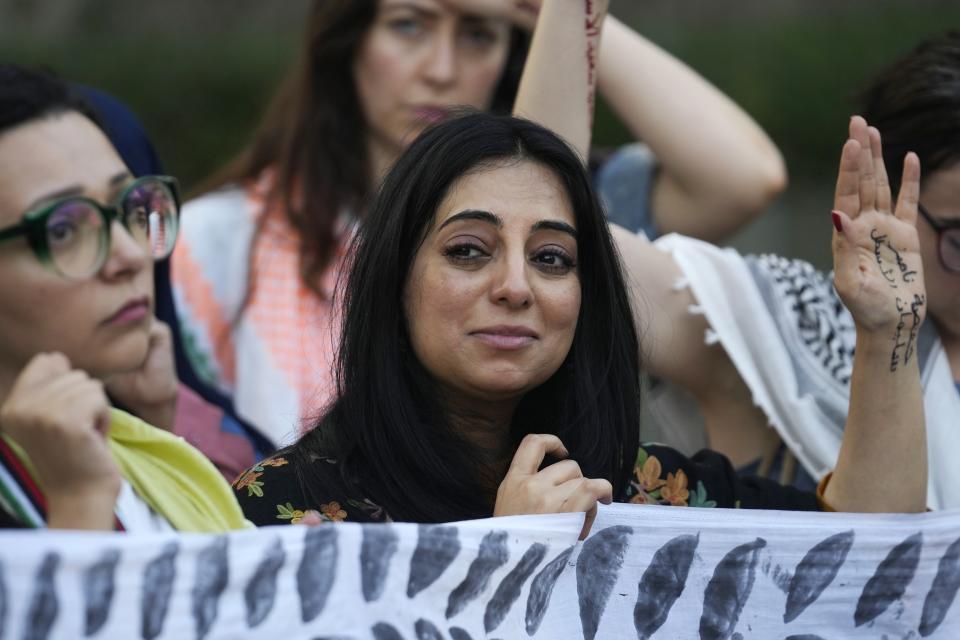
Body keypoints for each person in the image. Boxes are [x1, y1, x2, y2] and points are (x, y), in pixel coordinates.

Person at [233, 111, 926, 531]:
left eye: (552, 258)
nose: (515, 287)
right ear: (393, 281)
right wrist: (504, 565)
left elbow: (868, 556)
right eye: (468, 251)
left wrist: (886, 330)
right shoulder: (281, 512)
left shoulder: (643, 494)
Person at [171, 0, 787, 448]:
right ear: (349, 39)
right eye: (408, 24)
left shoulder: (566, 208)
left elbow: (744, 178)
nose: (440, 69)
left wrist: (561, 12)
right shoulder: (220, 239)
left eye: (477, 34)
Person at [610, 31, 960, 508]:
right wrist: (563, 14)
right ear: (881, 192)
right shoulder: (797, 321)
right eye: (957, 240)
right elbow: (568, 250)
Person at [0, 65, 248, 531]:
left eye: (131, 208)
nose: (132, 255)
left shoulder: (133, 442)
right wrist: (79, 503)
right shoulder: (75, 479)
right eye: (62, 229)